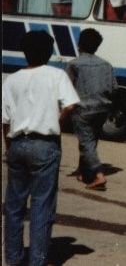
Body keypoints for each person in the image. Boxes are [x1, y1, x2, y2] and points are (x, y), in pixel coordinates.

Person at [3, 31, 80, 266]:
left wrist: (9, 147)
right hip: (45, 145)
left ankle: (13, 258)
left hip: (17, 143)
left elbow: (5, 120)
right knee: (42, 204)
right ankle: (37, 260)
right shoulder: (56, 75)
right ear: (48, 52)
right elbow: (71, 104)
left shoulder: (11, 79)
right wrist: (57, 120)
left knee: (14, 205)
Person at [66, 28, 117, 191]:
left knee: (86, 142)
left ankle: (98, 175)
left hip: (83, 110)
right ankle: (84, 171)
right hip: (103, 108)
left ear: (79, 44)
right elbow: (114, 88)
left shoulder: (74, 64)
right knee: (91, 139)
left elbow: (66, 88)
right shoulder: (106, 64)